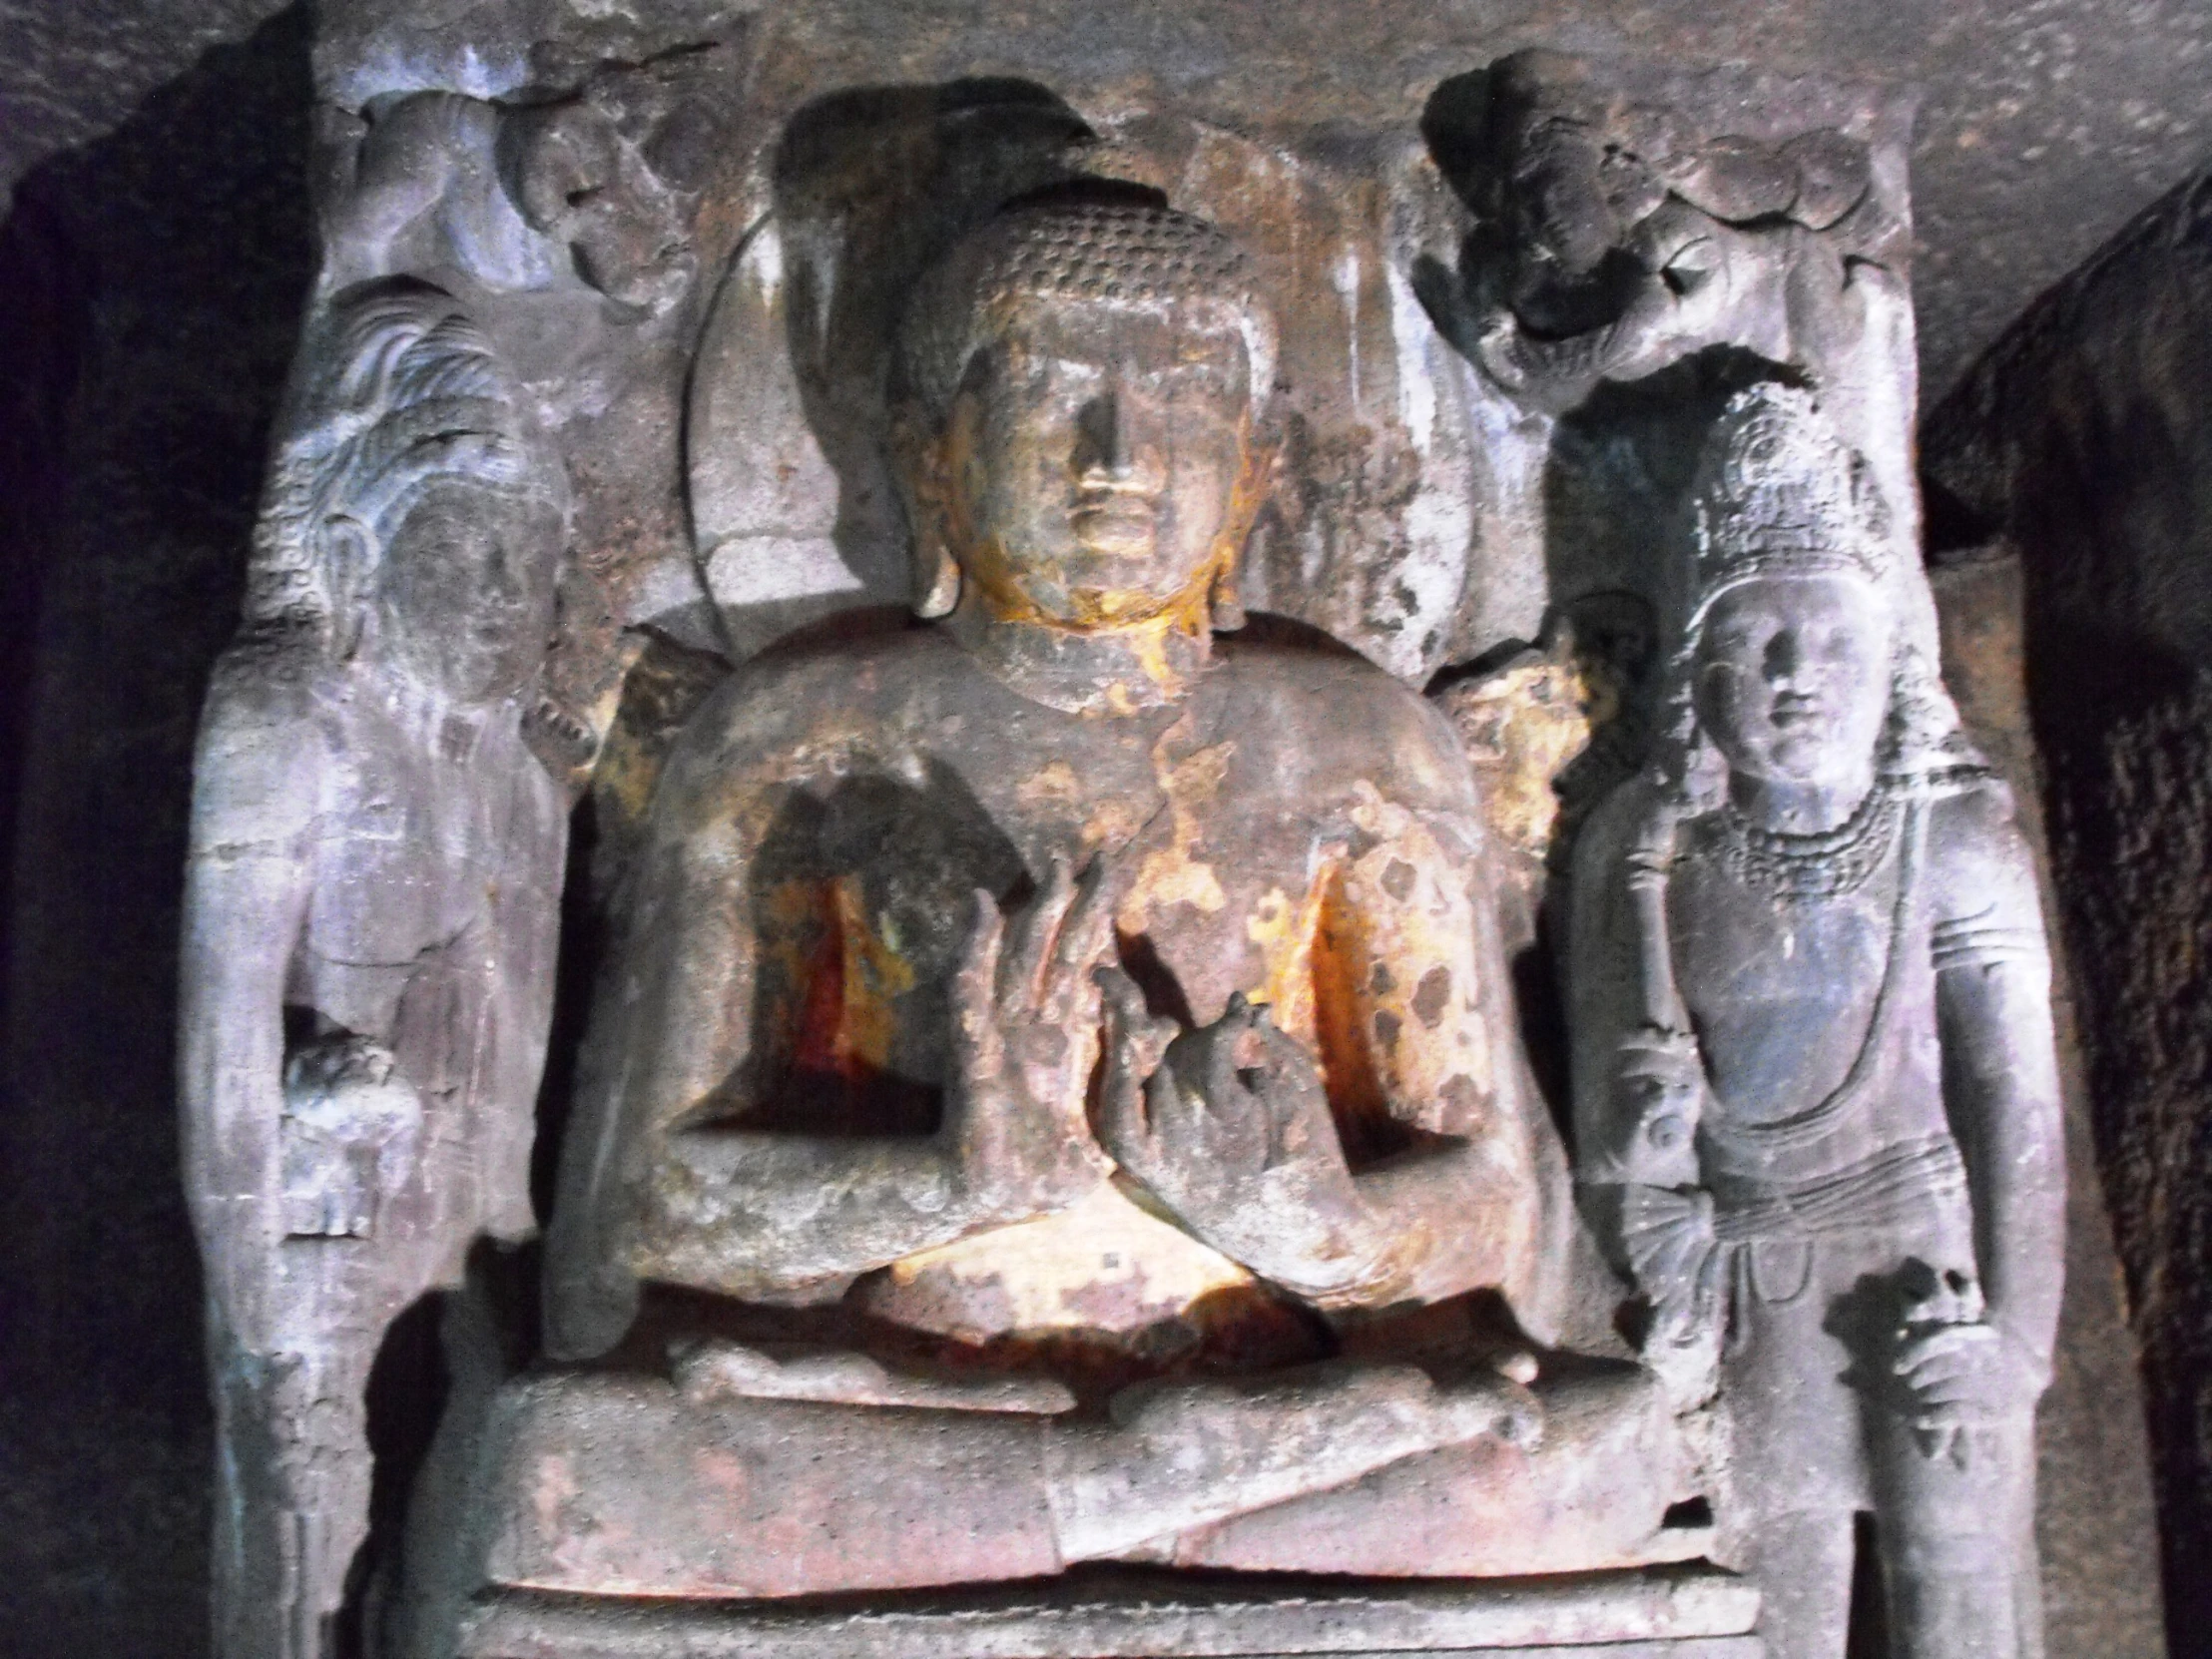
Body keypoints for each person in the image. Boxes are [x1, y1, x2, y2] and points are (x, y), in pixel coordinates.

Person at [395, 191, 1692, 1639]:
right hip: (911, 1397)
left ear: (1255, 475)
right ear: (931, 459)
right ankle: (1138, 1480)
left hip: (1279, 1375)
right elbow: (636, 1228)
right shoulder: (797, 738)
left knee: (1611, 1445)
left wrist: (1308, 1221)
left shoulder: (1357, 744)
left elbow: (1499, 1210)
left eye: (1181, 405)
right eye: (1054, 396)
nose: (1119, 459)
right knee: (561, 1464)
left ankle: (1137, 1477)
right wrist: (949, 1183)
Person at [1569, 382, 2064, 1659]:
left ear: (1889, 656)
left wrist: (2013, 1345)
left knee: (1955, 1600)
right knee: (1768, 1614)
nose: (1795, 676)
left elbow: (2015, 1107)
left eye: (1827, 638)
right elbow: (1609, 1144)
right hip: (1751, 1288)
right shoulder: (1643, 849)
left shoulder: (1949, 836)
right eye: (1756, 643)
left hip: (1926, 1277)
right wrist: (1649, 1155)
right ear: (1695, 673)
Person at [179, 280, 570, 1659]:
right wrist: (261, 1313)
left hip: (472, 1240)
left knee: (451, 1548)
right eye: (470, 535)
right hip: (319, 1239)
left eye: (531, 548)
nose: (505, 586)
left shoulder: (532, 789)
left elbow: (521, 1082)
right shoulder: (290, 712)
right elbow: (219, 1049)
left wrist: (525, 1277)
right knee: (303, 1560)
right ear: (360, 537)